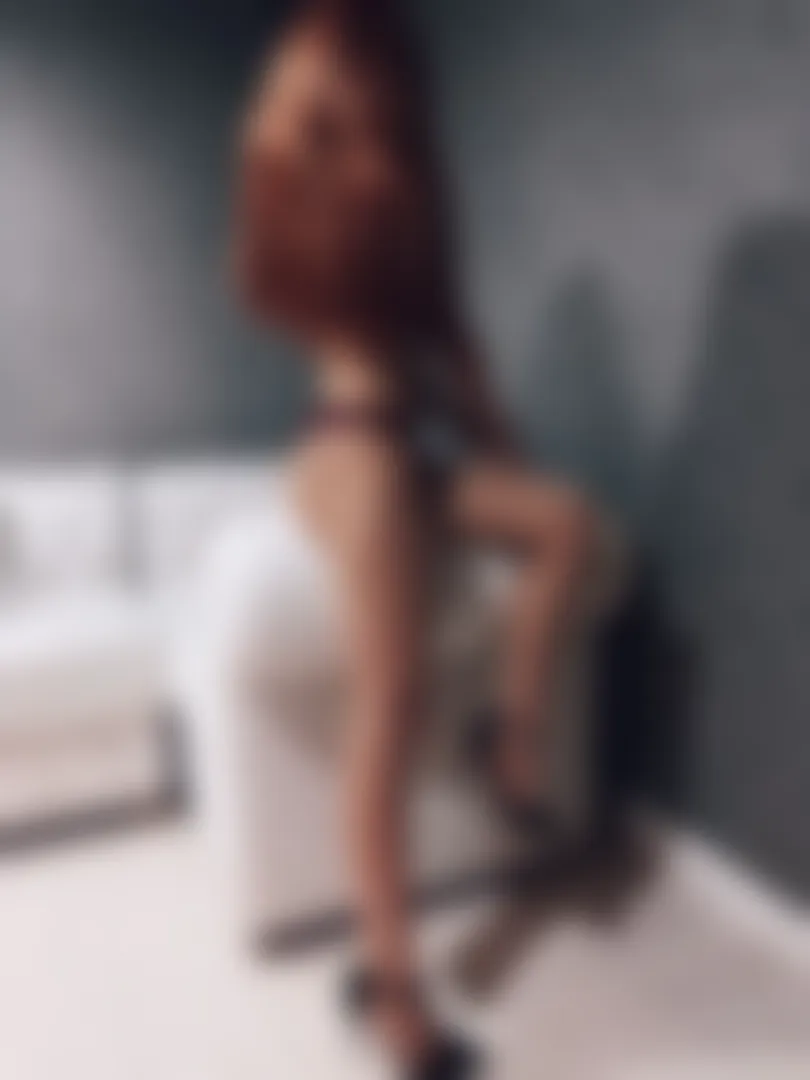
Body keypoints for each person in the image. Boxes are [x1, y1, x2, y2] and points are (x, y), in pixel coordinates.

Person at [231, 2, 598, 1076]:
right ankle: (390, 991)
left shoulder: (414, 232)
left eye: (396, 118)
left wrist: (506, 457)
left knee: (567, 522)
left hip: (407, 449)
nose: (387, 144)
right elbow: (290, 216)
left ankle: (511, 743)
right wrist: (323, 144)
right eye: (361, 118)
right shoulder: (314, 212)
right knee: (389, 702)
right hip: (352, 449)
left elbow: (467, 374)